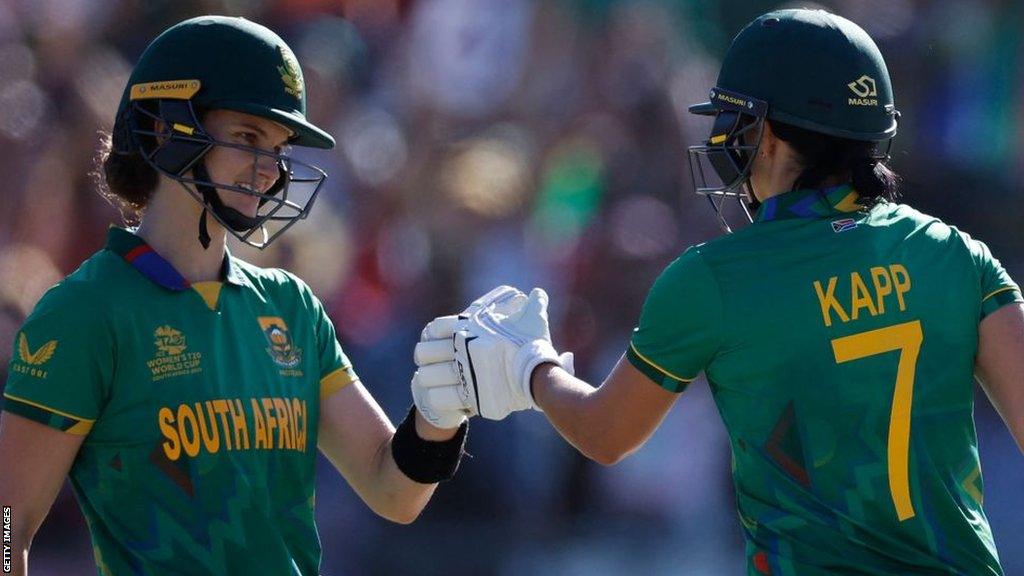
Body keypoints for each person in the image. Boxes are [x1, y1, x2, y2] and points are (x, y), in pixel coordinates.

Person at [412, 9, 1024, 576]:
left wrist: (532, 369)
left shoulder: (712, 277)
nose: (726, 143)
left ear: (775, 138)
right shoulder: (956, 253)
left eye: (738, 123)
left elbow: (605, 434)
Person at [0, 16, 469, 576]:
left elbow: (393, 491)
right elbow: (8, 524)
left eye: (279, 147)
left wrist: (442, 411)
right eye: (248, 138)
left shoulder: (291, 307)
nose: (270, 170)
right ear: (164, 128)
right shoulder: (85, 311)